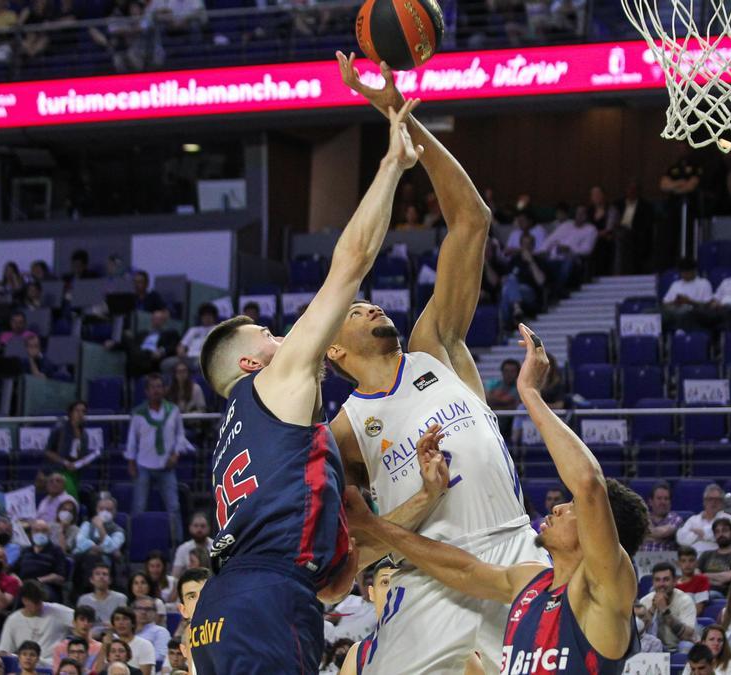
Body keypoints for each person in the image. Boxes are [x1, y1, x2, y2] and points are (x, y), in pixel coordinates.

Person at [327, 57, 549, 675]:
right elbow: (353, 547)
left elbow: (471, 221)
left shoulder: (434, 346)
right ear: (334, 352)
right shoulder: (343, 432)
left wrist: (401, 116)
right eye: (354, 308)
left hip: (512, 554)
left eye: (369, 299)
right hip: (423, 580)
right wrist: (419, 503)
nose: (368, 304)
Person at [192, 98, 420, 675]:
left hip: (222, 610)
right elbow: (350, 263)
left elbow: (328, 587)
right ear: (249, 364)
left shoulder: (235, 437)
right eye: (267, 334)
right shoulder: (274, 383)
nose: (282, 339)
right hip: (264, 602)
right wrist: (392, 164)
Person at [344, 323, 649, 674]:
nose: (559, 507)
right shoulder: (530, 583)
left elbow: (588, 484)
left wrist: (530, 392)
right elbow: (460, 568)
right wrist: (374, 525)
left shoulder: (605, 593)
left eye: (574, 509)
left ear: (602, 531)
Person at [125, 373, 191, 545]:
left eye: (159, 386)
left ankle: (177, 543)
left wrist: (176, 454)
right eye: (153, 387)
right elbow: (132, 439)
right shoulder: (138, 413)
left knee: (174, 507)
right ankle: (135, 542)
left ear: (164, 389)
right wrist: (131, 461)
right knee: (138, 506)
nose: (156, 390)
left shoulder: (173, 411)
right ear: (147, 391)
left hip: (166, 466)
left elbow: (180, 436)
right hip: (143, 465)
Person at [0, 581, 73, 666]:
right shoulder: (13, 620)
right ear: (24, 600)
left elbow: (80, 621)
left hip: (52, 666)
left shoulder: (57, 611)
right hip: (26, 667)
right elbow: (4, 651)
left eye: (40, 601)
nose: (40, 605)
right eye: (36, 603)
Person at [44, 401, 101, 499]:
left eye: (83, 411)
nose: (80, 414)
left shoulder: (84, 434)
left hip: (75, 472)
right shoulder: (59, 429)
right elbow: (48, 451)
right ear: (70, 413)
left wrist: (85, 461)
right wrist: (64, 462)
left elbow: (81, 454)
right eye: (77, 410)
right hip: (60, 470)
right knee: (69, 498)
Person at [638, 562, 698, 652]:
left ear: (674, 581)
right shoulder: (645, 601)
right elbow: (638, 633)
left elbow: (687, 636)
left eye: (666, 580)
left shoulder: (685, 601)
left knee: (687, 646)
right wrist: (653, 609)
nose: (661, 584)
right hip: (653, 648)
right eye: (657, 580)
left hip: (678, 647)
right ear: (653, 582)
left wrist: (665, 610)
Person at [13, 520, 68, 602]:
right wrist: (17, 580)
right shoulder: (26, 550)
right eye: (36, 530)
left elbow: (60, 576)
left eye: (44, 531)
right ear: (31, 533)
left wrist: (37, 581)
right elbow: (13, 571)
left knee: (33, 594)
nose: (40, 533)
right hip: (23, 585)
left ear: (49, 533)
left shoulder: (56, 551)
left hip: (45, 586)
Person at [678, 484, 731, 555]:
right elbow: (681, 539)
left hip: (717, 558)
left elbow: (722, 537)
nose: (714, 502)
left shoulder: (727, 518)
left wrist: (698, 532)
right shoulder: (693, 519)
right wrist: (704, 535)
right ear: (704, 502)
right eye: (710, 499)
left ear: (722, 503)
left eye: (717, 499)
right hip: (693, 560)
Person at [699, 519, 731, 596]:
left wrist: (704, 576)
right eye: (717, 532)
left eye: (725, 530)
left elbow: (729, 577)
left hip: (724, 594)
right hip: (702, 591)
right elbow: (695, 575)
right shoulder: (706, 554)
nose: (721, 534)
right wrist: (718, 581)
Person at [662, 258, 714, 332]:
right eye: (682, 272)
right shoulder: (676, 284)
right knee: (653, 313)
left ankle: (679, 335)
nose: (684, 275)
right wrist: (675, 302)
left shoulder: (704, 283)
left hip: (693, 312)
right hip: (674, 310)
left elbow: (708, 305)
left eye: (687, 272)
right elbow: (665, 303)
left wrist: (689, 301)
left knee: (685, 313)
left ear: (694, 271)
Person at [176, 567, 210, 666]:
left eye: (206, 593)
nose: (200, 601)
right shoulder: (189, 637)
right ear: (183, 610)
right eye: (192, 597)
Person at [109, 606, 156, 674]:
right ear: (113, 625)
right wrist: (104, 646)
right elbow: (99, 672)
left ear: (133, 623)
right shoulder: (110, 645)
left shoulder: (145, 645)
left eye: (125, 619)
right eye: (117, 619)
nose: (121, 623)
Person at [642, 482, 684, 552]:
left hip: (666, 561)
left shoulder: (676, 519)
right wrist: (662, 539)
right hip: (641, 561)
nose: (663, 502)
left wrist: (644, 536)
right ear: (650, 502)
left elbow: (663, 533)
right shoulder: (643, 518)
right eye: (659, 498)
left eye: (666, 499)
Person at [171, 512, 211, 578]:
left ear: (209, 528)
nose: (199, 529)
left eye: (202, 526)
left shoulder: (216, 546)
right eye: (196, 526)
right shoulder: (182, 549)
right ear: (190, 527)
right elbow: (175, 577)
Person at [132, 596, 171, 662]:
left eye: (148, 609)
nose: (143, 612)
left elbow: (161, 656)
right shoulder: (126, 630)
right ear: (132, 611)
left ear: (155, 612)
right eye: (139, 608)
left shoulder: (160, 632)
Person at [676, 546, 712, 610]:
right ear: (678, 563)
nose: (687, 564)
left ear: (696, 563)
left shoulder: (701, 580)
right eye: (683, 561)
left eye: (691, 561)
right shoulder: (672, 583)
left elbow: (698, 609)